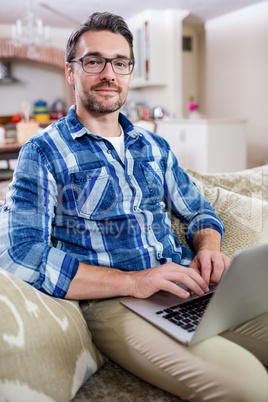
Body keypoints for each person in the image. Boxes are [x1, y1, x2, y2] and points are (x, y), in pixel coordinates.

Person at [0, 11, 267, 402]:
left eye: (120, 62)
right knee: (250, 388)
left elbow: (199, 210)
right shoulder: (42, 152)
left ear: (129, 73)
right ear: (71, 73)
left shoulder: (153, 146)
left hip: (189, 288)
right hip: (116, 305)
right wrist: (134, 282)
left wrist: (208, 250)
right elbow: (20, 254)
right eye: (94, 61)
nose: (109, 73)